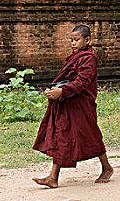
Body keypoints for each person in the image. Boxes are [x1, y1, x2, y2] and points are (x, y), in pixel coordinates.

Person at [32, 25, 113, 188]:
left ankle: (107, 167)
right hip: (68, 101)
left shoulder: (88, 58)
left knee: (91, 135)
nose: (73, 44)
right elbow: (67, 78)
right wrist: (55, 90)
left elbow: (82, 82)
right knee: (62, 134)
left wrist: (62, 90)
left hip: (81, 103)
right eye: (71, 40)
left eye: (77, 40)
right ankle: (53, 177)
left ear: (88, 40)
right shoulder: (74, 57)